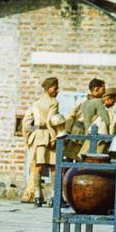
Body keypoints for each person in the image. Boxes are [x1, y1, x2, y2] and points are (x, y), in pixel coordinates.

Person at [21, 76, 66, 205]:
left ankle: (37, 197)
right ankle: (54, 197)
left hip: (38, 137)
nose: (57, 90)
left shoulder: (36, 103)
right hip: (49, 136)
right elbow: (51, 121)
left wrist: (36, 129)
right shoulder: (53, 102)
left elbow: (27, 124)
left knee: (38, 167)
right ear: (48, 88)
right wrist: (54, 137)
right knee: (53, 168)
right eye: (55, 88)